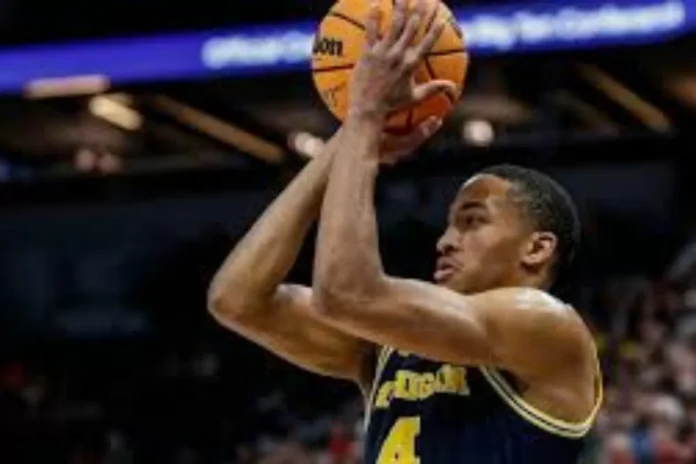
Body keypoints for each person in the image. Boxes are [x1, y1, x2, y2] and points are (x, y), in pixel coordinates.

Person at [208, 0, 601, 462]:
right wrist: (346, 142)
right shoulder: (387, 349)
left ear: (536, 248)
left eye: (472, 220)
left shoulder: (547, 326)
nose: (445, 240)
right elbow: (236, 299)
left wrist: (365, 115)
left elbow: (345, 293)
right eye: (449, 224)